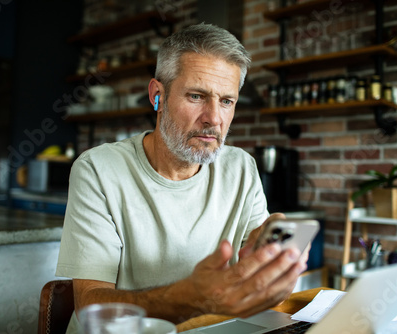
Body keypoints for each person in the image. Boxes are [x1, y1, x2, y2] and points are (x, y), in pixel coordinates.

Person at [56, 23, 308, 333]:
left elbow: (258, 288)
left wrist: (275, 268)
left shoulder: (241, 168)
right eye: (197, 96)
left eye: (226, 101)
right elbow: (90, 306)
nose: (214, 118)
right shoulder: (98, 170)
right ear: (157, 95)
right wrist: (192, 297)